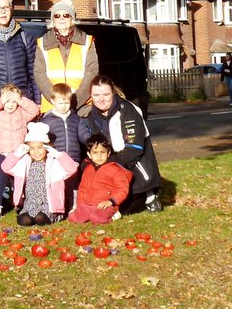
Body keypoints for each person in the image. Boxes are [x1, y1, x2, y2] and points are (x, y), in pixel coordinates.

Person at [83, 75, 163, 213]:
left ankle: (148, 195)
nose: (101, 99)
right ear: (91, 96)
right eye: (96, 95)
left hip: (134, 164)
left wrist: (109, 165)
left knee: (123, 208)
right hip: (109, 162)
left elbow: (135, 148)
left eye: (106, 94)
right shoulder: (91, 116)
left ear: (113, 93)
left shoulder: (128, 110)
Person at [1, 122, 79, 227]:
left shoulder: (54, 163)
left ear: (47, 148)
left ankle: (53, 216)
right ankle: (30, 214)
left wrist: (59, 155)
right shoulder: (25, 162)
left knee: (40, 219)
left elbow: (72, 168)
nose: (36, 152)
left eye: (39, 148)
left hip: (49, 204)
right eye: (32, 148)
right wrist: (17, 155)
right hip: (31, 204)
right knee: (24, 221)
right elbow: (5, 167)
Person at [0, 83, 40, 219]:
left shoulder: (22, 113)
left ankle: (21, 203)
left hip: (19, 154)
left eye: (14, 101)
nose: (11, 104)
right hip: (2, 152)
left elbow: (34, 110)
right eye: (7, 101)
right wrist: (0, 102)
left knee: (20, 179)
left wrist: (20, 100)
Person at [33, 0, 99, 112]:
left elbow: (91, 73)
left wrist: (74, 102)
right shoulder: (42, 42)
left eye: (66, 15)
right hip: (52, 107)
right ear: (53, 20)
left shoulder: (87, 41)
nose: (62, 18)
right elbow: (39, 75)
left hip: (82, 107)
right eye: (57, 16)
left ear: (72, 18)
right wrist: (58, 102)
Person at [40, 82, 90, 209]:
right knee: (58, 183)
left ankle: (73, 205)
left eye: (66, 103)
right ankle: (58, 206)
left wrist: (91, 141)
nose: (63, 106)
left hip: (73, 158)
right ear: (52, 101)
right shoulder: (48, 119)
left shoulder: (75, 118)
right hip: (56, 159)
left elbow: (83, 134)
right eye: (60, 103)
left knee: (73, 183)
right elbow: (43, 139)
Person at [68, 133, 133, 224]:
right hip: (88, 204)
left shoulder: (114, 169)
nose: (99, 156)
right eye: (95, 153)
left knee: (97, 219)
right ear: (89, 154)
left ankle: (114, 215)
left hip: (105, 205)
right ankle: (82, 213)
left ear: (108, 153)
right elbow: (83, 188)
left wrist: (111, 202)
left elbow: (122, 189)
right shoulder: (87, 169)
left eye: (102, 152)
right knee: (74, 218)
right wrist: (80, 204)